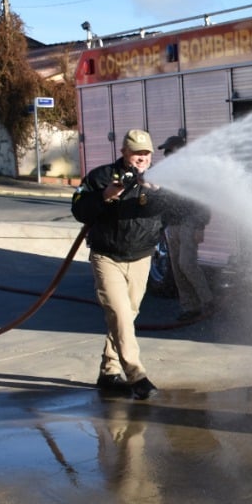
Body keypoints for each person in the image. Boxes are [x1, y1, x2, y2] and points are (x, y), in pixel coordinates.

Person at [71, 129, 169, 400]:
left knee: (129, 314)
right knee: (120, 313)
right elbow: (78, 209)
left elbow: (176, 210)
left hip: (141, 257)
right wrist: (104, 195)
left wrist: (157, 192)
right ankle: (136, 375)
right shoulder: (101, 177)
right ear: (124, 152)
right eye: (137, 153)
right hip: (107, 257)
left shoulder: (159, 179)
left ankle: (109, 371)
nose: (142, 158)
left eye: (146, 153)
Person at [159, 135, 214, 322]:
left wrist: (200, 226)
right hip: (172, 225)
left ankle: (208, 301)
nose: (166, 155)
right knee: (177, 269)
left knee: (187, 264)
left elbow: (204, 200)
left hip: (189, 223)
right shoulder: (166, 173)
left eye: (169, 151)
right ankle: (189, 307)